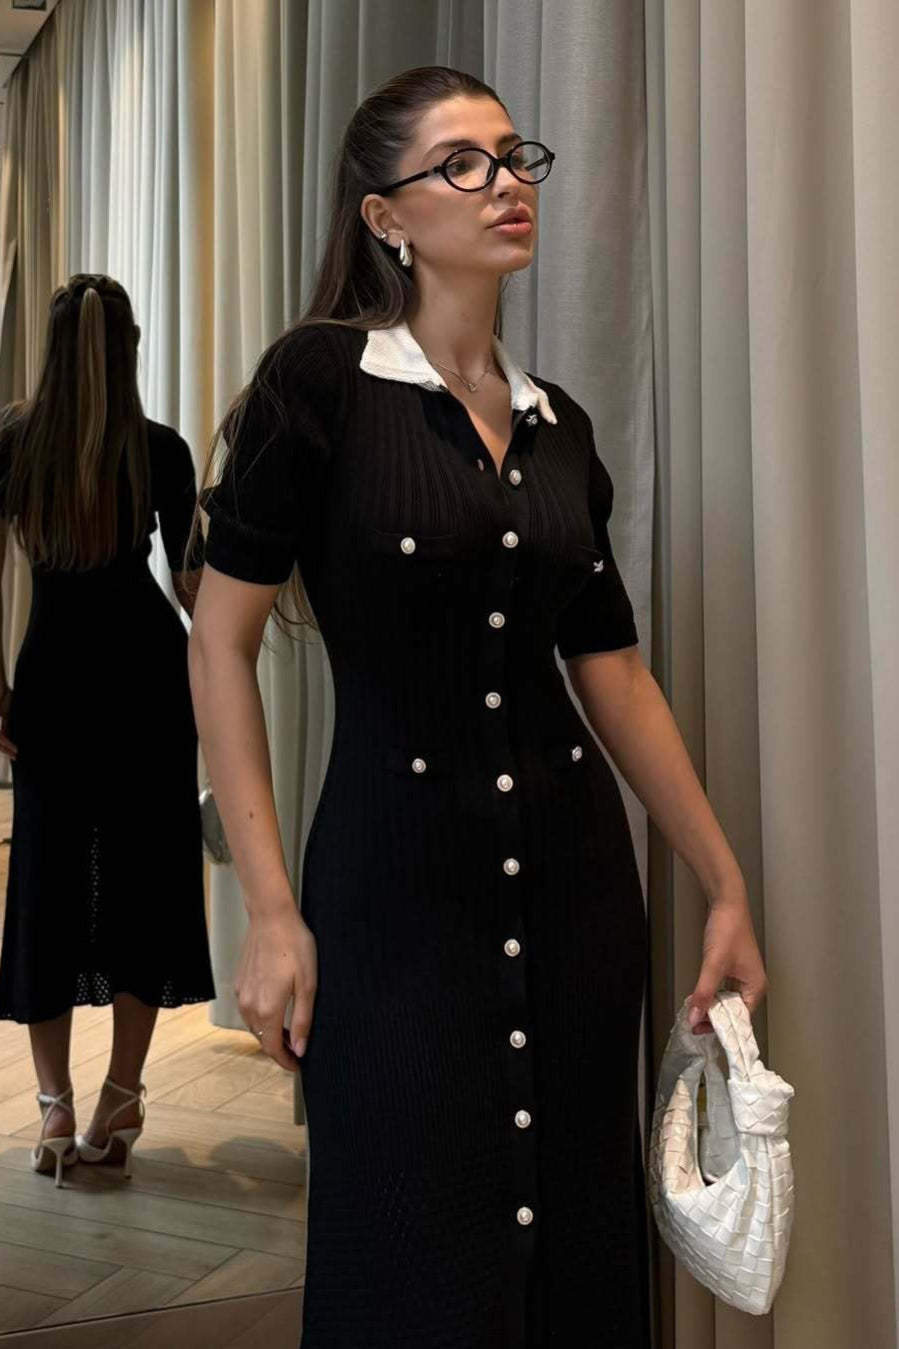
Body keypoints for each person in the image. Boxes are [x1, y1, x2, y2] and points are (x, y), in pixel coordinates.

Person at [187, 65, 768, 1348]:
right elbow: (220, 643)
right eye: (461, 163)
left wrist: (721, 880)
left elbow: (611, 671)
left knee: (576, 1233)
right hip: (389, 895)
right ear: (385, 217)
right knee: (406, 1242)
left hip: (575, 891)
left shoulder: (562, 429)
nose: (504, 183)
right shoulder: (318, 382)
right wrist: (270, 912)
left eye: (512, 156)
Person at [0, 275, 215, 1186]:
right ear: (129, 348)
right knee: (144, 886)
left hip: (52, 686)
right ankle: (120, 1097)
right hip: (148, 688)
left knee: (45, 887)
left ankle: (53, 1108)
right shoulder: (158, 449)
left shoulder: (14, 443)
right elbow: (195, 588)